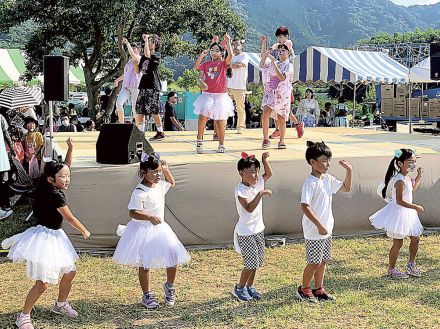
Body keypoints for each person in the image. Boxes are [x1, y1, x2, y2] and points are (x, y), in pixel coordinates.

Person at [1, 138, 91, 329]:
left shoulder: (50, 185)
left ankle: (60, 304)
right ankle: (23, 316)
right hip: (45, 238)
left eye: (68, 176)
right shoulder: (54, 194)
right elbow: (69, 218)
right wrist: (83, 229)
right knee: (43, 282)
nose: (67, 179)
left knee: (70, 272)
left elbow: (66, 166)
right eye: (63, 177)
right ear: (51, 179)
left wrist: (71, 149)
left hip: (56, 236)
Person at [113, 153, 190, 309]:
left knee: (173, 254)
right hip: (143, 229)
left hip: (160, 228)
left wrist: (166, 170)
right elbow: (133, 212)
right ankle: (147, 294)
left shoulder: (160, 184)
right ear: (143, 173)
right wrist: (149, 217)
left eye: (159, 171)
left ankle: (169, 286)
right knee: (145, 262)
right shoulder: (140, 191)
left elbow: (171, 183)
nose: (158, 175)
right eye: (154, 172)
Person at [296, 141, 352, 303]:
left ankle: (318, 288)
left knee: (324, 260)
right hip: (315, 230)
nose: (328, 165)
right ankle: (304, 289)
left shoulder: (327, 179)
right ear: (312, 162)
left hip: (327, 229)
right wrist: (319, 225)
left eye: (329, 160)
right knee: (314, 262)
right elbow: (304, 206)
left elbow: (346, 188)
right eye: (324, 161)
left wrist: (349, 171)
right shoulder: (310, 183)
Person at [369, 149, 424, 279]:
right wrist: (415, 207)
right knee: (398, 242)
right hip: (399, 213)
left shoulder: (406, 177)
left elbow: (412, 188)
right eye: (410, 161)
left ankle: (411, 264)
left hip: (408, 212)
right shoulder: (399, 180)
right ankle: (391, 268)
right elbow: (400, 201)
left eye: (414, 162)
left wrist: (419, 176)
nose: (413, 164)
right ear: (400, 163)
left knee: (415, 238)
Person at [232, 152, 273, 302]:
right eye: (252, 171)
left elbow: (269, 173)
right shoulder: (240, 190)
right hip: (245, 232)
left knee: (257, 261)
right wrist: (260, 194)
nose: (256, 175)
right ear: (242, 173)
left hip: (258, 229)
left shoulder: (258, 183)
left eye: (257, 171)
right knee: (250, 263)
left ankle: (250, 286)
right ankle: (240, 288)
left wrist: (264, 160)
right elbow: (248, 208)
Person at [193, 34, 234, 154]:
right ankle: (199, 141)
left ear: (222, 53)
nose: (214, 53)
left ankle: (221, 144)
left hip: (220, 96)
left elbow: (230, 55)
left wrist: (229, 41)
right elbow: (198, 72)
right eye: (212, 50)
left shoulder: (223, 64)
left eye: (217, 50)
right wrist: (201, 82)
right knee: (202, 116)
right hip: (207, 94)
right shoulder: (206, 64)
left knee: (220, 120)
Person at [260, 37, 296, 149]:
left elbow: (281, 77)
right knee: (265, 113)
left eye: (283, 50)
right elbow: (262, 63)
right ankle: (265, 138)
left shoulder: (288, 65)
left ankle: (282, 140)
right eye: (279, 51)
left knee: (281, 117)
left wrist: (274, 64)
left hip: (282, 93)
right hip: (271, 92)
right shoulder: (274, 62)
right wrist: (265, 46)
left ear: (288, 52)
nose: (280, 52)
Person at [131, 34, 165, 141]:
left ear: (156, 45)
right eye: (149, 41)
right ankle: (141, 133)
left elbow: (147, 54)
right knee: (140, 110)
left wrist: (145, 40)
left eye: (152, 42)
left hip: (153, 85)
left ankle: (160, 132)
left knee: (154, 110)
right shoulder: (144, 57)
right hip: (143, 85)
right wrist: (135, 64)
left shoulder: (156, 55)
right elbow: (138, 71)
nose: (150, 43)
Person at [115, 39, 142, 123]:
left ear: (139, 50)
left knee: (135, 109)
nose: (133, 49)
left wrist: (127, 43)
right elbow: (126, 74)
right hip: (126, 86)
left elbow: (133, 55)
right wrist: (117, 80)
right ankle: (121, 124)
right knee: (119, 104)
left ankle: (139, 127)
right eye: (132, 47)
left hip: (135, 87)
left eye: (135, 48)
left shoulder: (139, 58)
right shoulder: (129, 61)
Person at [227, 38, 250, 134]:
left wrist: (230, 65)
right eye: (234, 45)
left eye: (237, 44)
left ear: (242, 46)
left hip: (239, 86)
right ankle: (225, 124)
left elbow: (240, 65)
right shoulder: (231, 56)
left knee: (240, 107)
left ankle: (240, 126)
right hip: (228, 85)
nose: (235, 47)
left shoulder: (244, 55)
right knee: (225, 106)